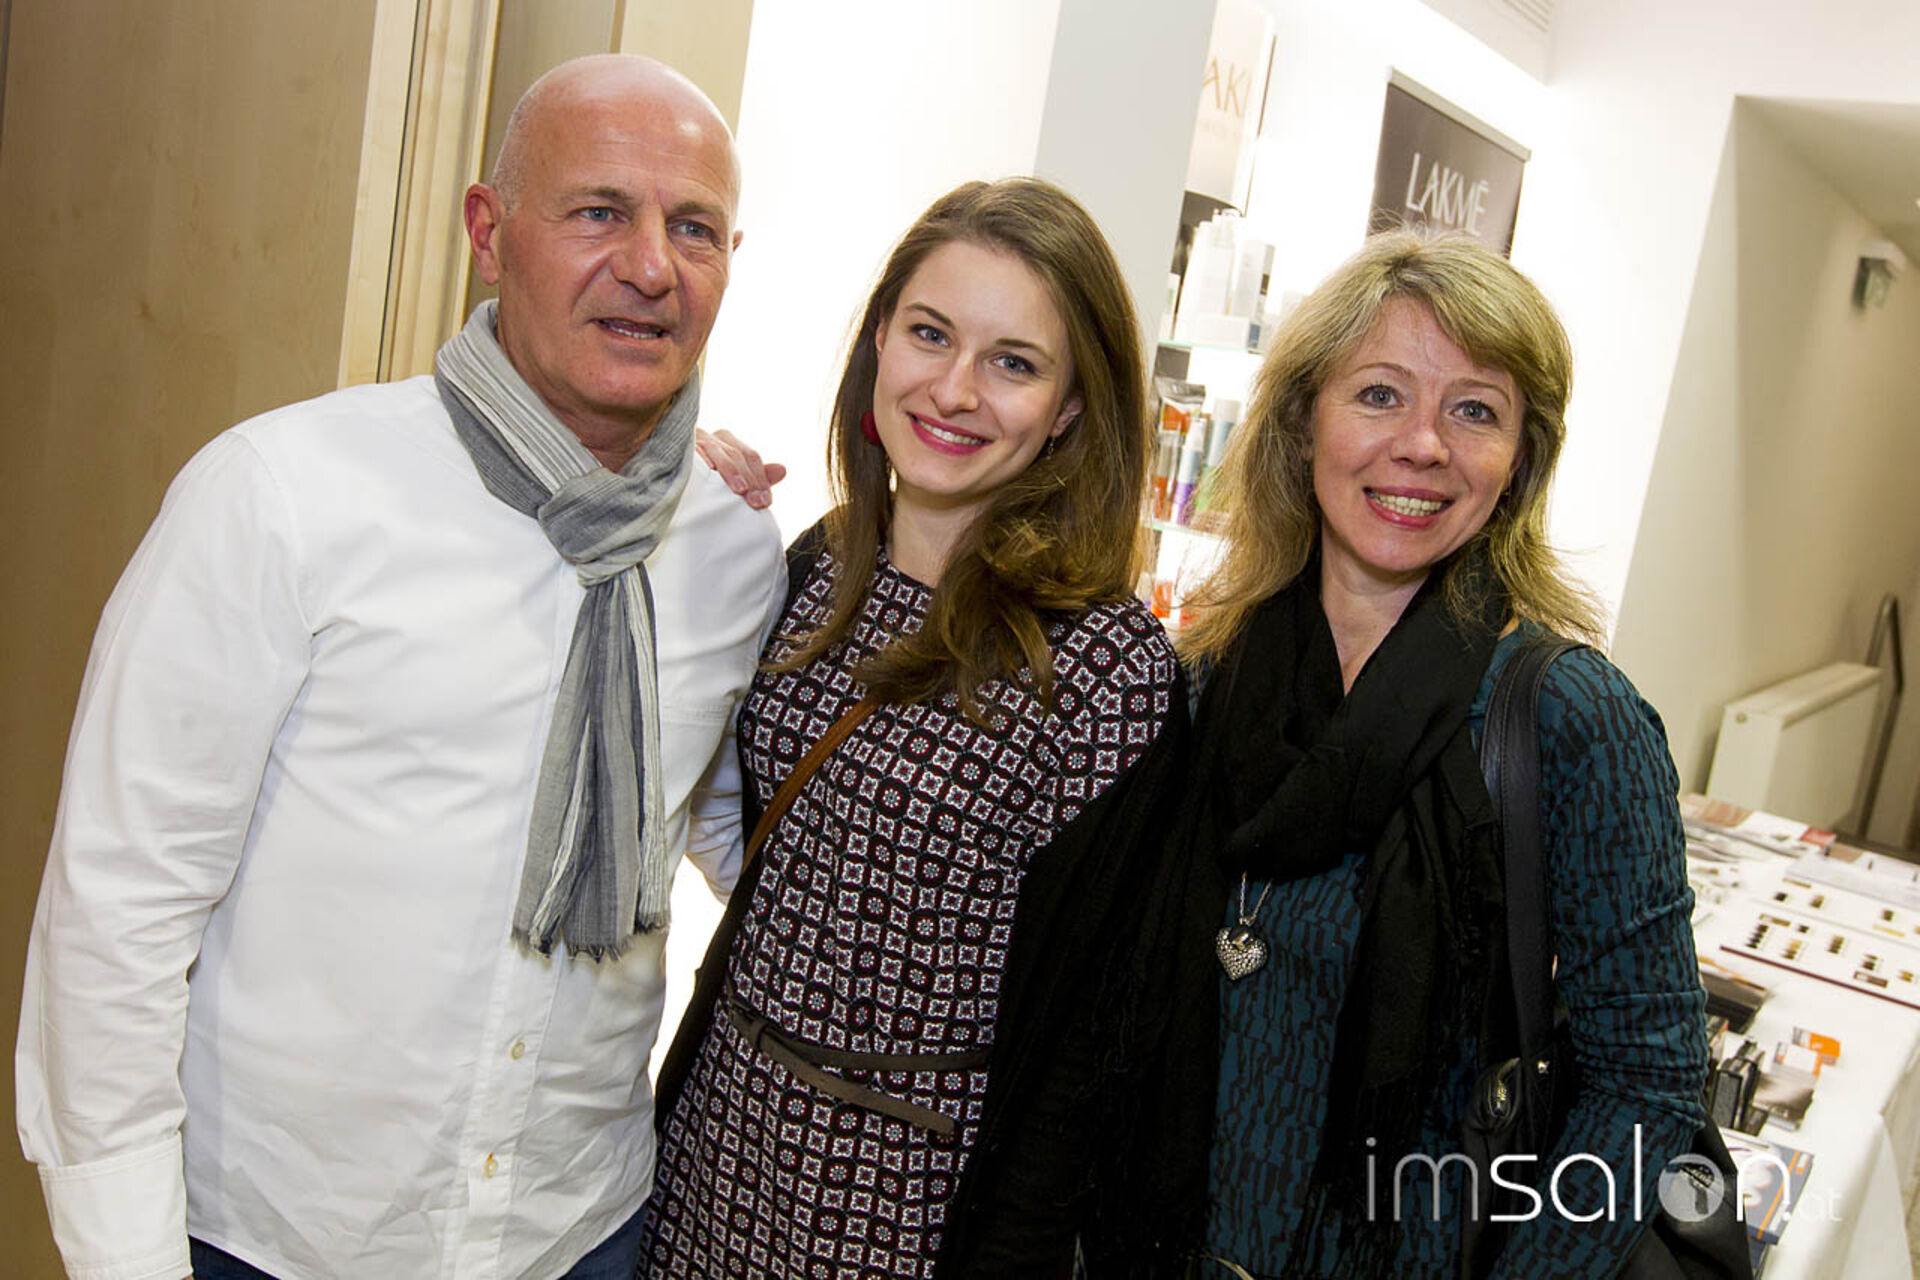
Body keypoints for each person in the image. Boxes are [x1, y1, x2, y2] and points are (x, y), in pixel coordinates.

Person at [15, 55, 784, 1280]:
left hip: (578, 1230)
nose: (651, 266)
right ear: (489, 232)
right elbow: (118, 908)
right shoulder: (279, 495)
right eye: (599, 210)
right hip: (276, 1236)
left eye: (694, 228)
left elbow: (745, 831)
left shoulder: (733, 553)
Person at [1089, 229, 1709, 1277]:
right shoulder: (1205, 676)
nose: (1423, 444)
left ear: (1519, 463)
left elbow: (1646, 1088)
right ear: (1303, 422)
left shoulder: (1568, 718)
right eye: (1380, 394)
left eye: (1475, 410)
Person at [638, 177, 1184, 1278]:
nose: (954, 389)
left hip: (911, 1193)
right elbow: (763, 847)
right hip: (717, 1138)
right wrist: (681, 506)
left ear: (1071, 407)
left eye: (1014, 362)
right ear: (880, 339)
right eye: (930, 334)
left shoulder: (1106, 664)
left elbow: (1086, 1040)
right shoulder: (822, 562)